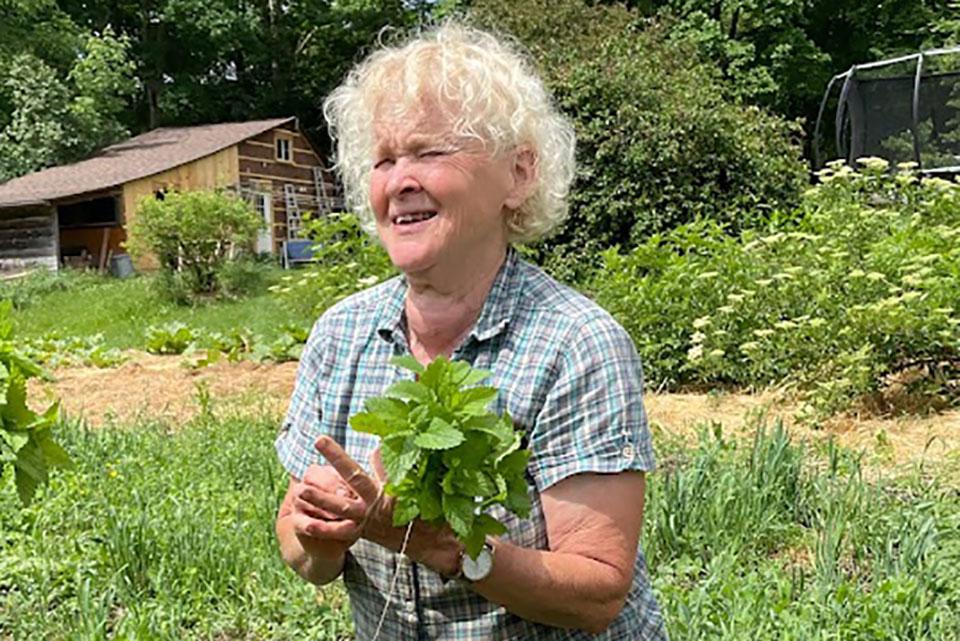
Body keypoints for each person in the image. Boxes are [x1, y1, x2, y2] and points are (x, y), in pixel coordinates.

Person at [274, 22, 668, 640]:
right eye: (383, 159)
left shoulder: (574, 343)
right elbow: (302, 550)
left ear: (518, 174)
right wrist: (320, 535)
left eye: (430, 152)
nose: (399, 180)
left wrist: (442, 543)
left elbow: (596, 594)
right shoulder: (341, 334)